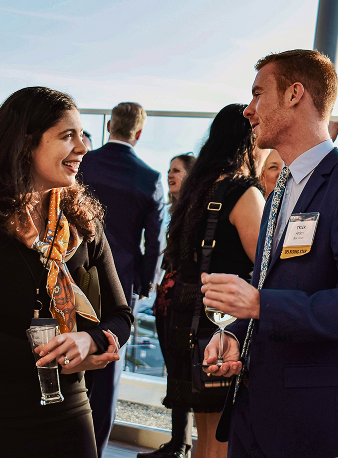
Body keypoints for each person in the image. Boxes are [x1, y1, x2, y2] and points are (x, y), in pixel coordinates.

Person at [0, 86, 133, 458]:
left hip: (69, 410)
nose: (83, 146)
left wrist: (91, 341)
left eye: (82, 134)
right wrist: (58, 356)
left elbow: (121, 316)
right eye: (67, 135)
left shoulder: (81, 222)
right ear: (25, 143)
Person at [202, 49, 338, 458]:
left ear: (294, 94)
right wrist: (237, 336)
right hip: (253, 414)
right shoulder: (278, 193)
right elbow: (269, 282)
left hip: (310, 423)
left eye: (258, 94)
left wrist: (258, 304)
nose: (248, 110)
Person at [161, 105, 265, 458]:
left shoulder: (196, 189)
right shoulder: (243, 192)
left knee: (206, 432)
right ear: (249, 141)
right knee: (224, 436)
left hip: (187, 316)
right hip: (223, 325)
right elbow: (264, 265)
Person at [79, 102, 165, 457]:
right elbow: (155, 242)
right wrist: (143, 284)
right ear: (140, 133)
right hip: (121, 284)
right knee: (108, 374)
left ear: (110, 124)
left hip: (72, 276)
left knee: (68, 358)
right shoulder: (149, 178)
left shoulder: (83, 162)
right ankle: (95, 450)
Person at [139, 154, 197, 458]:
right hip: (166, 302)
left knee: (181, 372)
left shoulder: (193, 211)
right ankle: (179, 442)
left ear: (190, 176)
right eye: (169, 170)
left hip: (181, 304)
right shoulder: (176, 210)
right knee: (174, 372)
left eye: (176, 171)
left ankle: (180, 445)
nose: (170, 175)